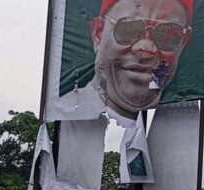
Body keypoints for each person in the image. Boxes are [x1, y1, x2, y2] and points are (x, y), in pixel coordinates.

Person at [57, 0, 194, 123]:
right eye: (129, 29)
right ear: (98, 33)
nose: (146, 48)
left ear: (183, 42)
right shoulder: (64, 117)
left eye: (167, 35)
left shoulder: (184, 126)